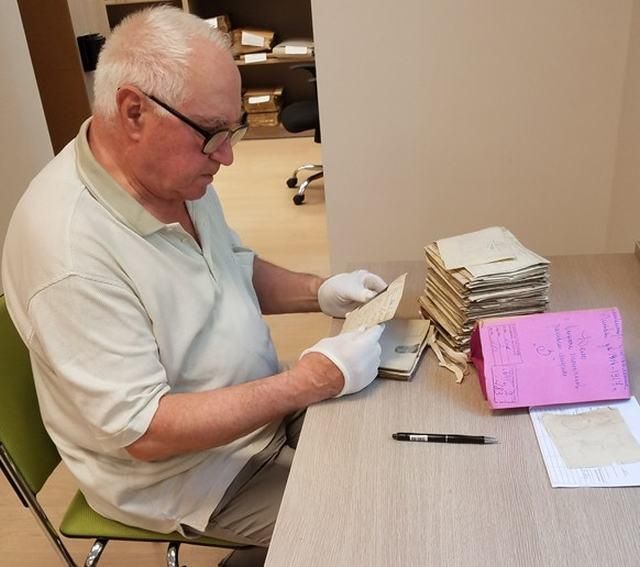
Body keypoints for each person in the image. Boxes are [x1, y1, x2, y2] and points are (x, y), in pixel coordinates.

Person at [1, 6, 387, 566]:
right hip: (189, 475)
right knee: (375, 525)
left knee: (392, 444)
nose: (226, 157)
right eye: (211, 134)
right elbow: (146, 431)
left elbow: (229, 266)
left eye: (232, 130)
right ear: (133, 111)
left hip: (259, 412)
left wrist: (320, 290)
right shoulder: (68, 253)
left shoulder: (172, 174)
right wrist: (307, 383)